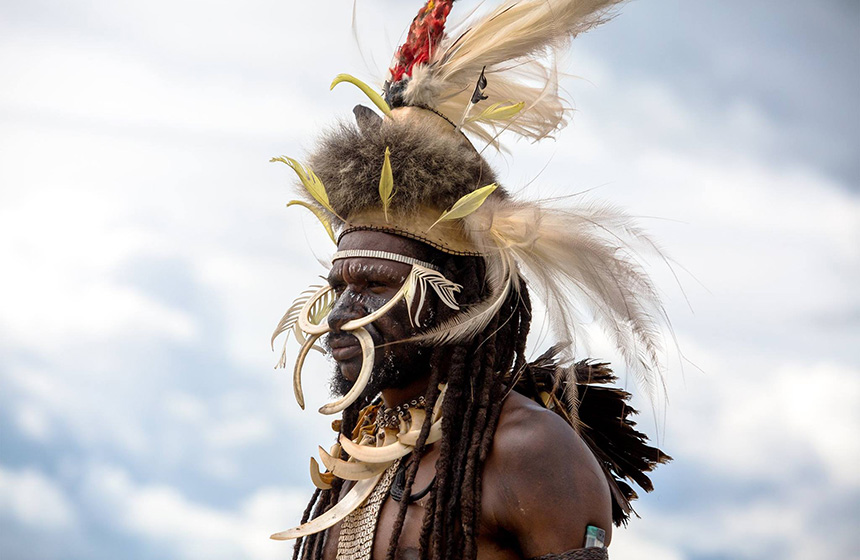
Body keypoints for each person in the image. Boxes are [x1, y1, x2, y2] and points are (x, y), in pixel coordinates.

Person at [270, 1, 670, 559]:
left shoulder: (529, 452)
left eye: (375, 286)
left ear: (450, 300)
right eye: (339, 288)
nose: (341, 313)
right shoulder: (361, 449)